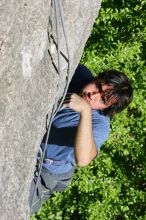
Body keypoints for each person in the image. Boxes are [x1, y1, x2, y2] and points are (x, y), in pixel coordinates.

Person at [29, 64, 133, 214]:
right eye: (98, 86)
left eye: (103, 100)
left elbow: (84, 159)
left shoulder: (99, 124)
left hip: (46, 170)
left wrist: (85, 110)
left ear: (107, 109)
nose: (93, 96)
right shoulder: (79, 75)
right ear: (97, 78)